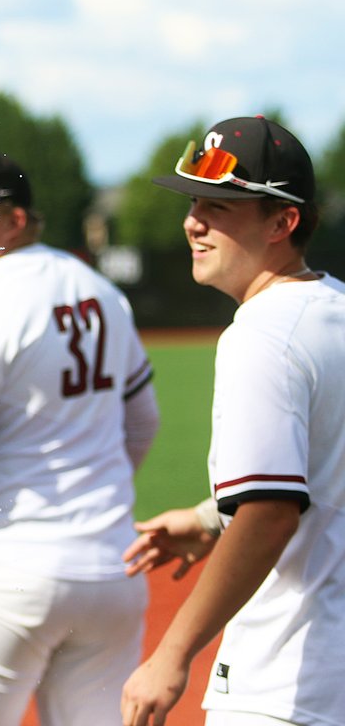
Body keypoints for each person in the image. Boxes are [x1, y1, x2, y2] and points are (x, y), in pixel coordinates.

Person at [0, 148, 160, 726]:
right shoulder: (100, 291)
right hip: (110, 570)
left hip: (0, 573)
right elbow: (142, 422)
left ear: (16, 220)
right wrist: (94, 498)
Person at [120, 116, 345, 726]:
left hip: (287, 683)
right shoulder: (335, 310)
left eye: (220, 206)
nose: (193, 222)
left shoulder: (263, 334)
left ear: (283, 221)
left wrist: (171, 655)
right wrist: (207, 518)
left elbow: (270, 513)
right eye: (195, 203)